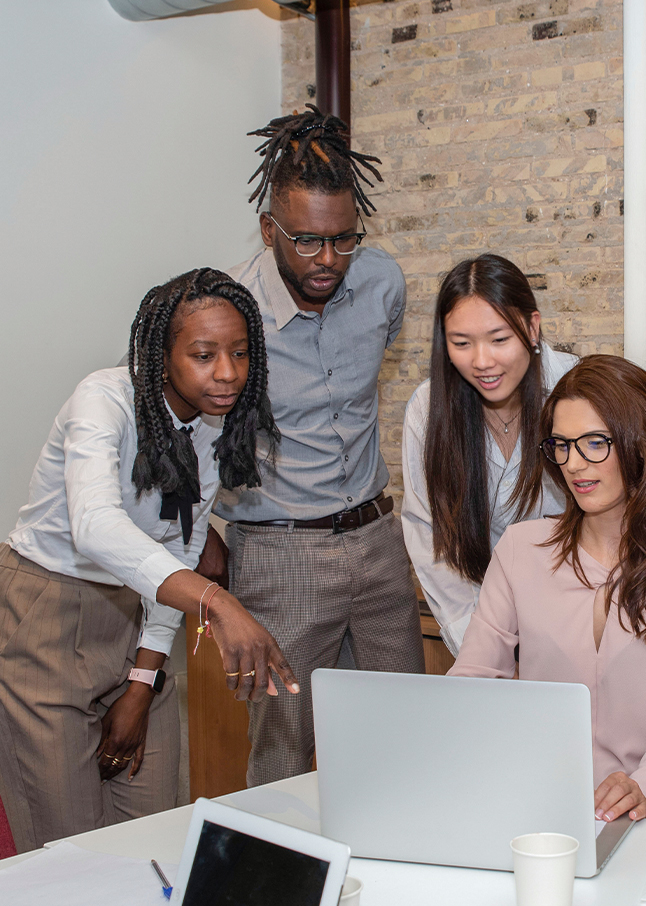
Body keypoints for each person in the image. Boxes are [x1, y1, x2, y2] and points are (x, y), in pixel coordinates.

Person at [0, 268, 298, 852]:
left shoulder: (216, 423)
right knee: (67, 847)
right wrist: (215, 600)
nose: (228, 372)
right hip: (46, 614)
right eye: (204, 354)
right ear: (160, 357)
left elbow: (179, 549)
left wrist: (142, 680)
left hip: (139, 617)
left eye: (240, 353)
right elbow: (95, 527)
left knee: (154, 833)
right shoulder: (102, 399)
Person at [209, 105, 425, 788]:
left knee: (404, 736)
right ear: (270, 228)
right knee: (282, 756)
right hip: (279, 554)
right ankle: (280, 895)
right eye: (305, 242)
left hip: (377, 540)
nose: (327, 260)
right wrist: (207, 547)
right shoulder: (228, 308)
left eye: (342, 239)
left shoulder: (382, 282)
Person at [449, 355, 646, 827]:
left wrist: (644, 789)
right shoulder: (522, 548)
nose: (574, 464)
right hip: (550, 812)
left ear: (643, 444)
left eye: (595, 443)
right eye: (561, 445)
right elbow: (475, 678)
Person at [401, 253, 577, 654]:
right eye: (461, 343)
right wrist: (479, 642)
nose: (482, 362)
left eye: (499, 339)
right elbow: (429, 534)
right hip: (482, 621)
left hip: (580, 622)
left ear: (532, 328)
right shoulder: (429, 410)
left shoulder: (575, 392)